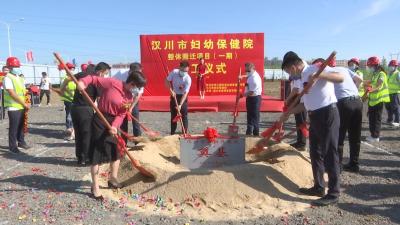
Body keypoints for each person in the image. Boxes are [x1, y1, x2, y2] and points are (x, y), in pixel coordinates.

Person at [280, 51, 344, 206]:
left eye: (288, 71)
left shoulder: (314, 69)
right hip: (314, 116)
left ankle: (334, 193)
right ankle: (319, 186)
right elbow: (304, 104)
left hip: (327, 113)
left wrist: (319, 76)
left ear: (294, 66)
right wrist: (288, 114)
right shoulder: (302, 77)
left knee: (330, 152)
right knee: (315, 152)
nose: (290, 75)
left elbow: (340, 78)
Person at [77, 70, 146, 200]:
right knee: (96, 154)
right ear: (132, 83)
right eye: (137, 86)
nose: (137, 90)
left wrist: (115, 126)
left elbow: (121, 114)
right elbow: (93, 79)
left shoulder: (129, 97)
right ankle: (95, 187)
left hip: (112, 124)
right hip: (100, 120)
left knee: (116, 152)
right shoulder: (112, 83)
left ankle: (113, 179)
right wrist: (83, 82)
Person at [332, 66, 363, 173]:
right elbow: (359, 79)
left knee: (339, 135)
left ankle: (338, 166)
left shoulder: (327, 72)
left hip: (343, 103)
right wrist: (353, 90)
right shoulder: (344, 69)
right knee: (355, 135)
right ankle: (354, 164)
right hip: (357, 100)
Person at [71, 63, 98, 166]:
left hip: (75, 108)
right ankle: (85, 158)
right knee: (87, 134)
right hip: (86, 108)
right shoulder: (95, 79)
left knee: (78, 134)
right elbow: (99, 98)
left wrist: (63, 89)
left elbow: (68, 78)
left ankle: (79, 157)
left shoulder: (81, 74)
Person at [3, 57, 31, 153]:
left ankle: (21, 142)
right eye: (16, 66)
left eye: (18, 66)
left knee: (21, 126)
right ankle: (12, 146)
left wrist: (27, 102)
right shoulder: (7, 78)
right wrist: (24, 103)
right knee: (14, 127)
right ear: (10, 67)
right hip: (13, 106)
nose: (18, 68)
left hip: (22, 105)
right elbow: (12, 93)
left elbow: (23, 92)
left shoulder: (19, 78)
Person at [365, 56, 390, 142]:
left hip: (378, 100)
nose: (369, 68)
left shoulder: (382, 74)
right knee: (372, 119)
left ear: (375, 65)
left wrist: (370, 90)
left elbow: (379, 86)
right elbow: (370, 83)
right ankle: (373, 135)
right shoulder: (374, 74)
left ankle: (375, 136)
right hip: (372, 101)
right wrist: (364, 83)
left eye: (370, 66)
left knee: (376, 119)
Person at [118, 62, 144, 141]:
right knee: (123, 123)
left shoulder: (140, 77)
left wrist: (131, 107)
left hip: (134, 102)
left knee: (136, 123)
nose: (139, 73)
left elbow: (138, 94)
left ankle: (138, 142)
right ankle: (123, 143)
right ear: (131, 71)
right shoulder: (121, 76)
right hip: (122, 102)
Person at [165, 60, 191, 135]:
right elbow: (166, 81)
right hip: (174, 96)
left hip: (182, 97)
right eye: (183, 70)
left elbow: (185, 93)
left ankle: (184, 133)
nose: (184, 72)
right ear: (180, 67)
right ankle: (172, 134)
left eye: (186, 71)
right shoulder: (174, 72)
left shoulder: (188, 79)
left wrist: (180, 105)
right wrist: (170, 90)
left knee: (184, 116)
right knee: (173, 116)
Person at [240, 62, 262, 136]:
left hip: (254, 99)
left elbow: (251, 92)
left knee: (254, 117)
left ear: (251, 68)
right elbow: (247, 75)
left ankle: (255, 134)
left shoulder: (254, 79)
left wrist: (242, 95)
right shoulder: (252, 74)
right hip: (250, 98)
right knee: (250, 116)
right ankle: (249, 133)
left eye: (247, 69)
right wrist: (242, 76)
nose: (246, 71)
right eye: (245, 69)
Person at [60, 62, 77, 141]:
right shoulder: (65, 78)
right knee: (69, 117)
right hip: (69, 99)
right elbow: (70, 87)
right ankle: (69, 133)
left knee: (73, 116)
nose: (72, 70)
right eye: (71, 68)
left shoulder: (73, 77)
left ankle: (73, 132)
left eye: (73, 69)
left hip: (74, 99)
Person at [385, 60, 400, 127]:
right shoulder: (388, 73)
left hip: (395, 93)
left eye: (392, 66)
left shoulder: (397, 73)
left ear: (395, 66)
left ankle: (397, 121)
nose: (390, 67)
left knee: (395, 108)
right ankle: (390, 119)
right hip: (388, 93)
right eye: (390, 66)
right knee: (388, 107)